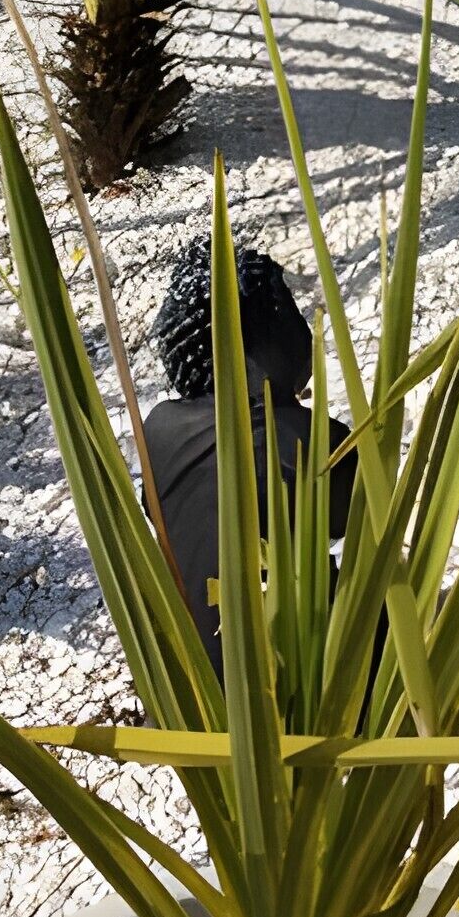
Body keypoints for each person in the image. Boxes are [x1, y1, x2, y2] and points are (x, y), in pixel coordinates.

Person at [141, 240, 351, 667]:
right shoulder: (314, 440)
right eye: (285, 310)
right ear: (257, 343)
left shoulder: (158, 430)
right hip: (296, 680)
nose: (301, 328)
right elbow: (355, 517)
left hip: (192, 675)